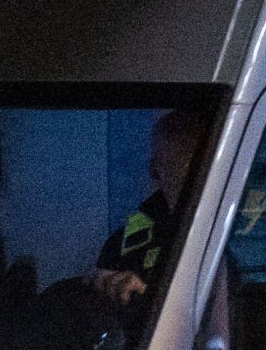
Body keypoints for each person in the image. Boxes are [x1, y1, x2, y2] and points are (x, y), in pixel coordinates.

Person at [87, 109, 210, 309]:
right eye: (181, 157)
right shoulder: (125, 244)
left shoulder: (228, 231)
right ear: (155, 169)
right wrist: (106, 285)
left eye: (195, 157)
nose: (192, 172)